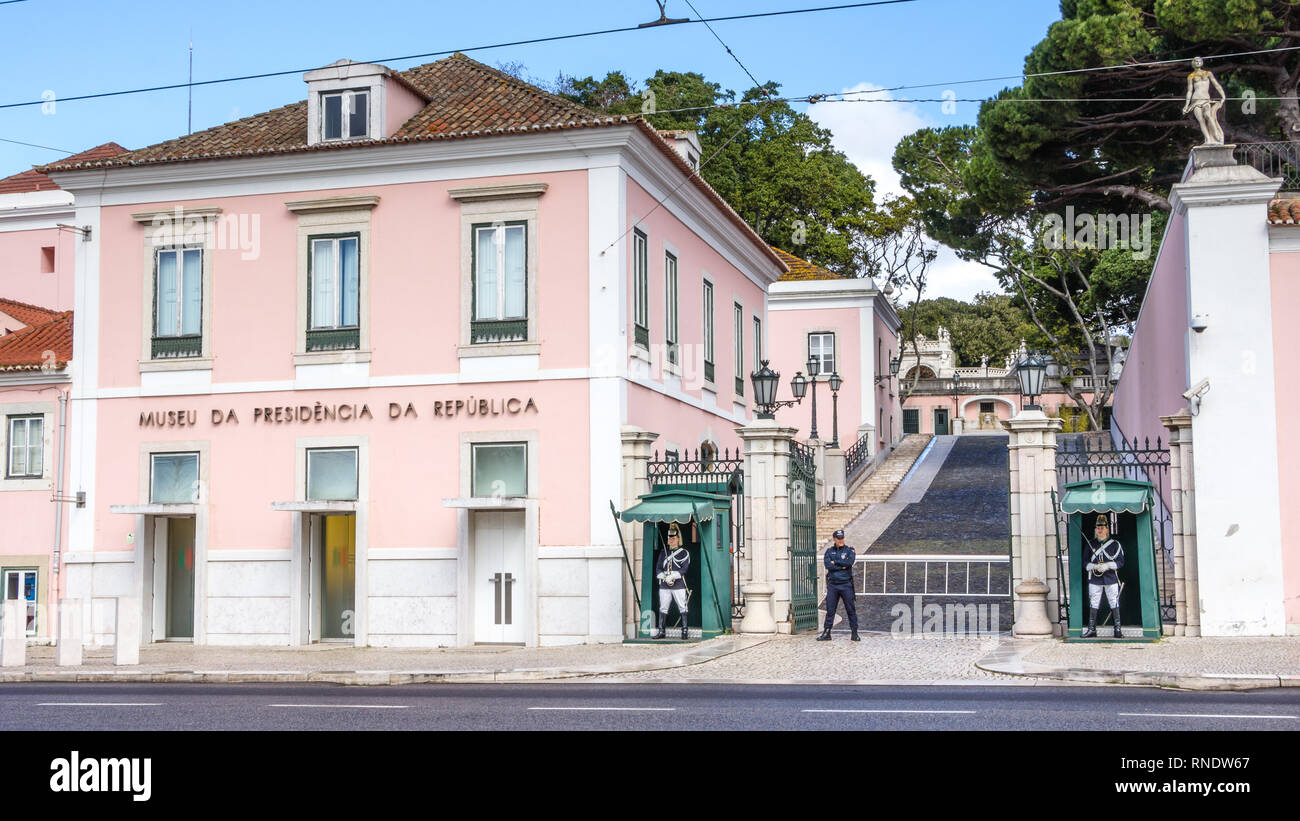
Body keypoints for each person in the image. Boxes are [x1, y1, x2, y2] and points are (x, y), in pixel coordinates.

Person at [1081, 514, 1125, 638]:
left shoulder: (1115, 545)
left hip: (1111, 578)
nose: (1100, 530)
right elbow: (1084, 562)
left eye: (1102, 527)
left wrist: (1108, 565)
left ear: (1107, 529)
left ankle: (1117, 630)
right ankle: (1091, 630)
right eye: (1098, 528)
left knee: (1114, 602)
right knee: (1094, 603)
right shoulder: (1091, 544)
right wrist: (1094, 566)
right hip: (1095, 579)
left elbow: (1121, 562)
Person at [818, 529, 859, 641]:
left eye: (842, 538)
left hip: (846, 584)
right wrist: (841, 565)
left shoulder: (849, 550)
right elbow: (828, 565)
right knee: (830, 610)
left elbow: (849, 562)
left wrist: (835, 562)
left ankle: (854, 632)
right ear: (834, 539)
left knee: (850, 609)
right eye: (838, 539)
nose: (841, 540)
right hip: (833, 585)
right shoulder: (829, 551)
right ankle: (827, 632)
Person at [652, 521, 691, 640]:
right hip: (664, 585)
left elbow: (684, 569)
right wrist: (664, 576)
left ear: (678, 539)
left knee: (682, 607)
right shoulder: (664, 552)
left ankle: (684, 631)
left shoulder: (683, 553)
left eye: (673, 538)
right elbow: (658, 568)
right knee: (663, 608)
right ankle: (661, 631)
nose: (670, 540)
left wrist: (673, 575)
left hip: (678, 584)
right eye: (669, 538)